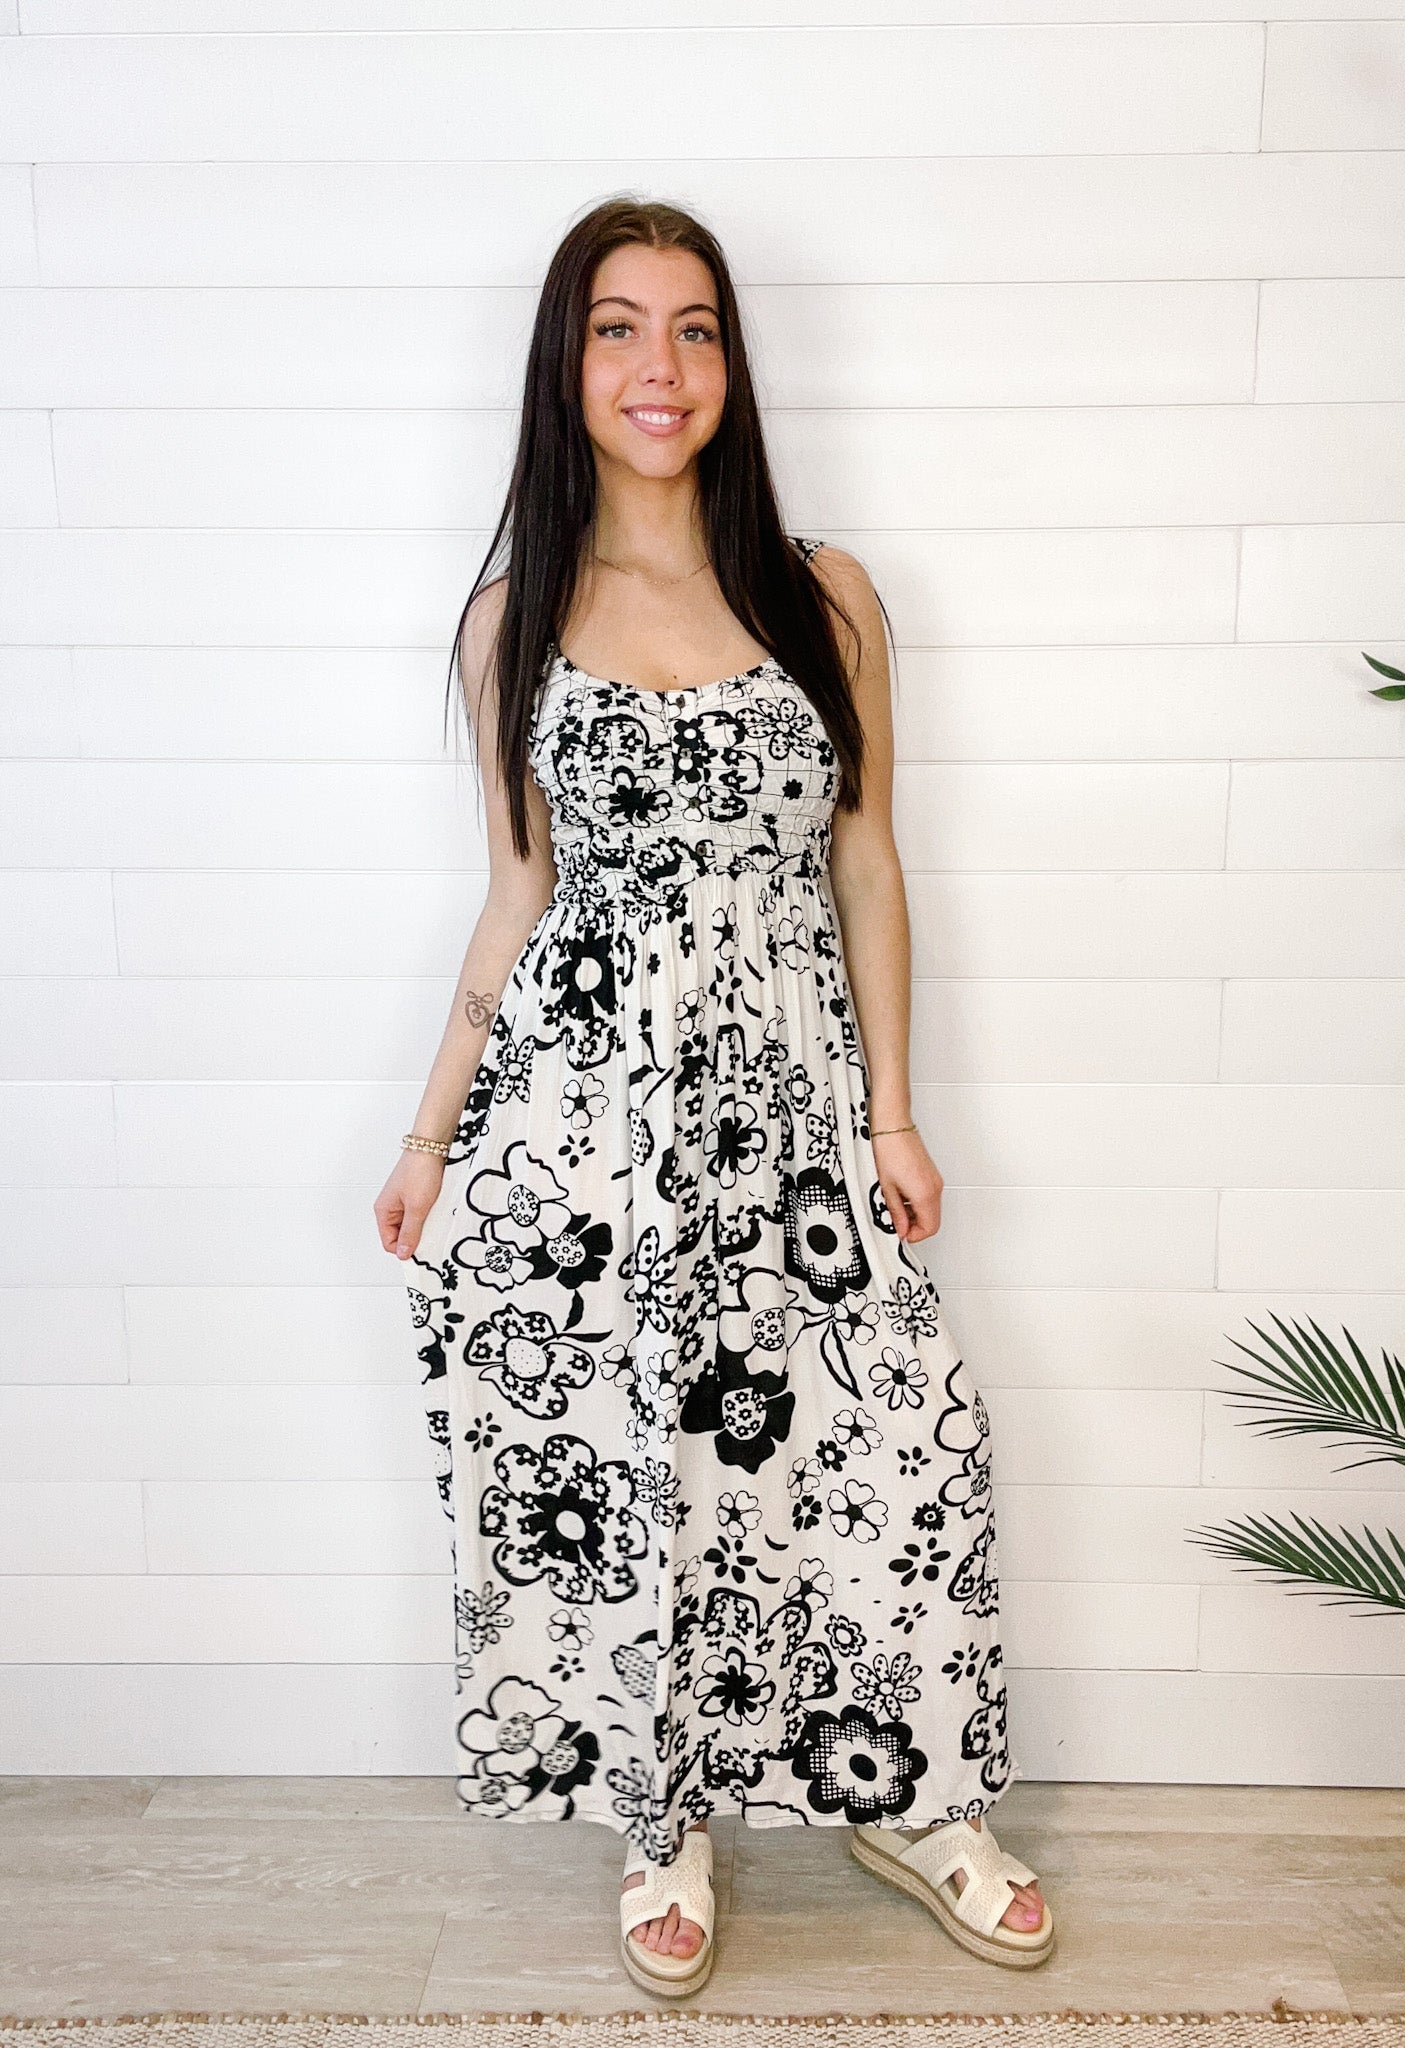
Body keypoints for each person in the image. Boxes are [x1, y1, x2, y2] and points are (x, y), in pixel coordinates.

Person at [373, 195, 1053, 1997]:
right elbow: (517, 896)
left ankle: (913, 1796)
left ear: (732, 365)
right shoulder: (512, 621)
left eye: (693, 328)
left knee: (892, 1440)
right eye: (617, 328)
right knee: (639, 1464)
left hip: (801, 1120)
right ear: (567, 365)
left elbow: (868, 857)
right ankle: (658, 1811)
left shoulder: (824, 596)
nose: (658, 366)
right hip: (590, 1134)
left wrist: (894, 1110)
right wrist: (432, 1134)